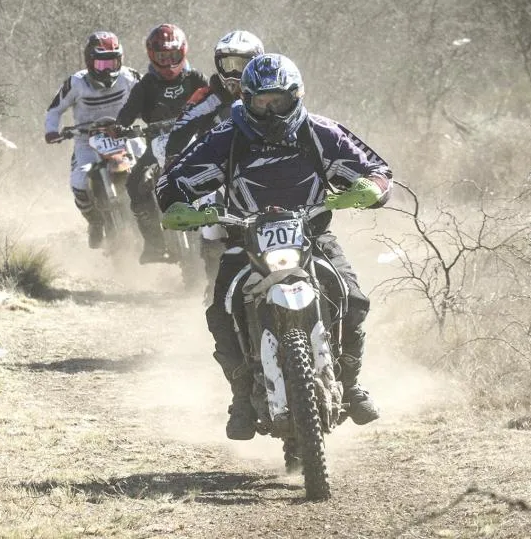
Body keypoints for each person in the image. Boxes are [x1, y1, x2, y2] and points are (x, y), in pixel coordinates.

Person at [155, 53, 392, 440]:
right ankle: (241, 398)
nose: (270, 111)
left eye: (278, 101)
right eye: (261, 102)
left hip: (313, 237)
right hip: (244, 240)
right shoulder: (226, 137)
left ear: (296, 96)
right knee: (220, 312)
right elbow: (173, 180)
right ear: (245, 99)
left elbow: (377, 170)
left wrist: (369, 188)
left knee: (353, 299)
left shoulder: (321, 133)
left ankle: (350, 385)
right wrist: (178, 206)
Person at [163, 30, 266, 286]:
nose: (234, 73)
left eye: (241, 64)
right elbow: (182, 127)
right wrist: (173, 158)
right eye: (227, 64)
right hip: (219, 171)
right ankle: (215, 284)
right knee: (211, 222)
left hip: (264, 167)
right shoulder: (208, 97)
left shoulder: (272, 91)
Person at [114, 23, 207, 264]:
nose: (168, 63)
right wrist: (119, 127)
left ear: (183, 52)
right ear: (152, 56)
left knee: (225, 171)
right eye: (162, 57)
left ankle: (232, 231)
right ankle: (154, 244)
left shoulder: (195, 79)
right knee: (134, 183)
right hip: (158, 144)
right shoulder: (146, 85)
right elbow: (127, 113)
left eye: (173, 56)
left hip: (193, 140)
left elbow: (216, 100)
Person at [44, 31, 141, 248]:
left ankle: (156, 215)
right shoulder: (76, 83)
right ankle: (95, 222)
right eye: (101, 64)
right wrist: (52, 131)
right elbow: (54, 110)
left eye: (112, 63)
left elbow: (147, 96)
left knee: (151, 166)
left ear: (121, 60)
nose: (107, 70)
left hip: (123, 135)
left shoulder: (129, 77)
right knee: (79, 182)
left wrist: (154, 116)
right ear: (89, 61)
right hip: (87, 140)